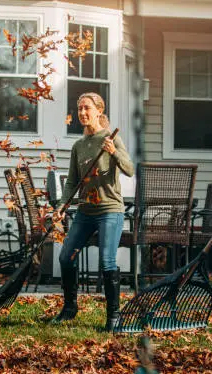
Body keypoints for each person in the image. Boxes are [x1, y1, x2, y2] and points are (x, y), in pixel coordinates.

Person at [53, 92, 134, 331]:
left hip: (110, 209)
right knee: (65, 256)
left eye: (87, 108)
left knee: (107, 261)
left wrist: (113, 152)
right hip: (85, 212)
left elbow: (129, 169)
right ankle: (70, 308)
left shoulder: (110, 138)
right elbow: (71, 182)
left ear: (99, 110)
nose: (82, 113)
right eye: (79, 109)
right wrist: (61, 206)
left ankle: (114, 316)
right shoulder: (78, 146)